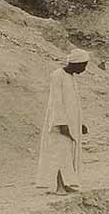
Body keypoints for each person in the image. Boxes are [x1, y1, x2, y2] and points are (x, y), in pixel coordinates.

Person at [35, 48, 90, 193]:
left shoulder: (70, 77)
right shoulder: (57, 76)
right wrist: (62, 124)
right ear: (76, 63)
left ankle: (66, 184)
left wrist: (80, 124)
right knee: (59, 154)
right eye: (83, 65)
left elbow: (73, 104)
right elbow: (56, 102)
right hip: (59, 124)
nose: (84, 69)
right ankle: (57, 186)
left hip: (71, 124)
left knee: (67, 155)